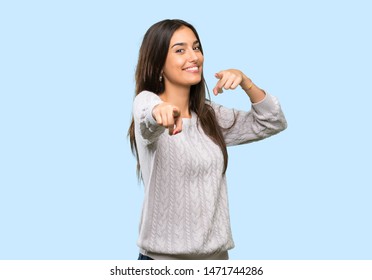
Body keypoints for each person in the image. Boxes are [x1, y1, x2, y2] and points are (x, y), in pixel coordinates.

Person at [128, 19, 287, 260]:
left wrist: (246, 82)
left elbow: (272, 121)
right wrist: (159, 114)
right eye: (180, 50)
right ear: (158, 63)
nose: (193, 56)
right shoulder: (147, 102)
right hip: (163, 262)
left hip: (217, 261)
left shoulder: (208, 115)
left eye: (196, 47)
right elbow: (146, 117)